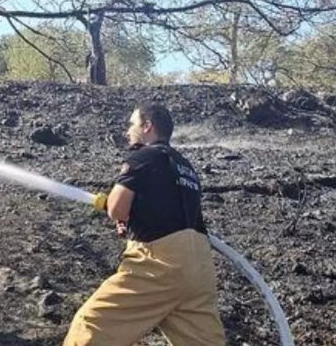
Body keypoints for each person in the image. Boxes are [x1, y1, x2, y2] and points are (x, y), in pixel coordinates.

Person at [64, 104, 226, 346]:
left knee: (91, 327)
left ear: (147, 126)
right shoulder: (185, 166)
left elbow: (117, 208)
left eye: (132, 124)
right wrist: (133, 221)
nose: (128, 131)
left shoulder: (143, 156)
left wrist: (116, 210)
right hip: (199, 267)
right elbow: (174, 212)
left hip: (160, 265)